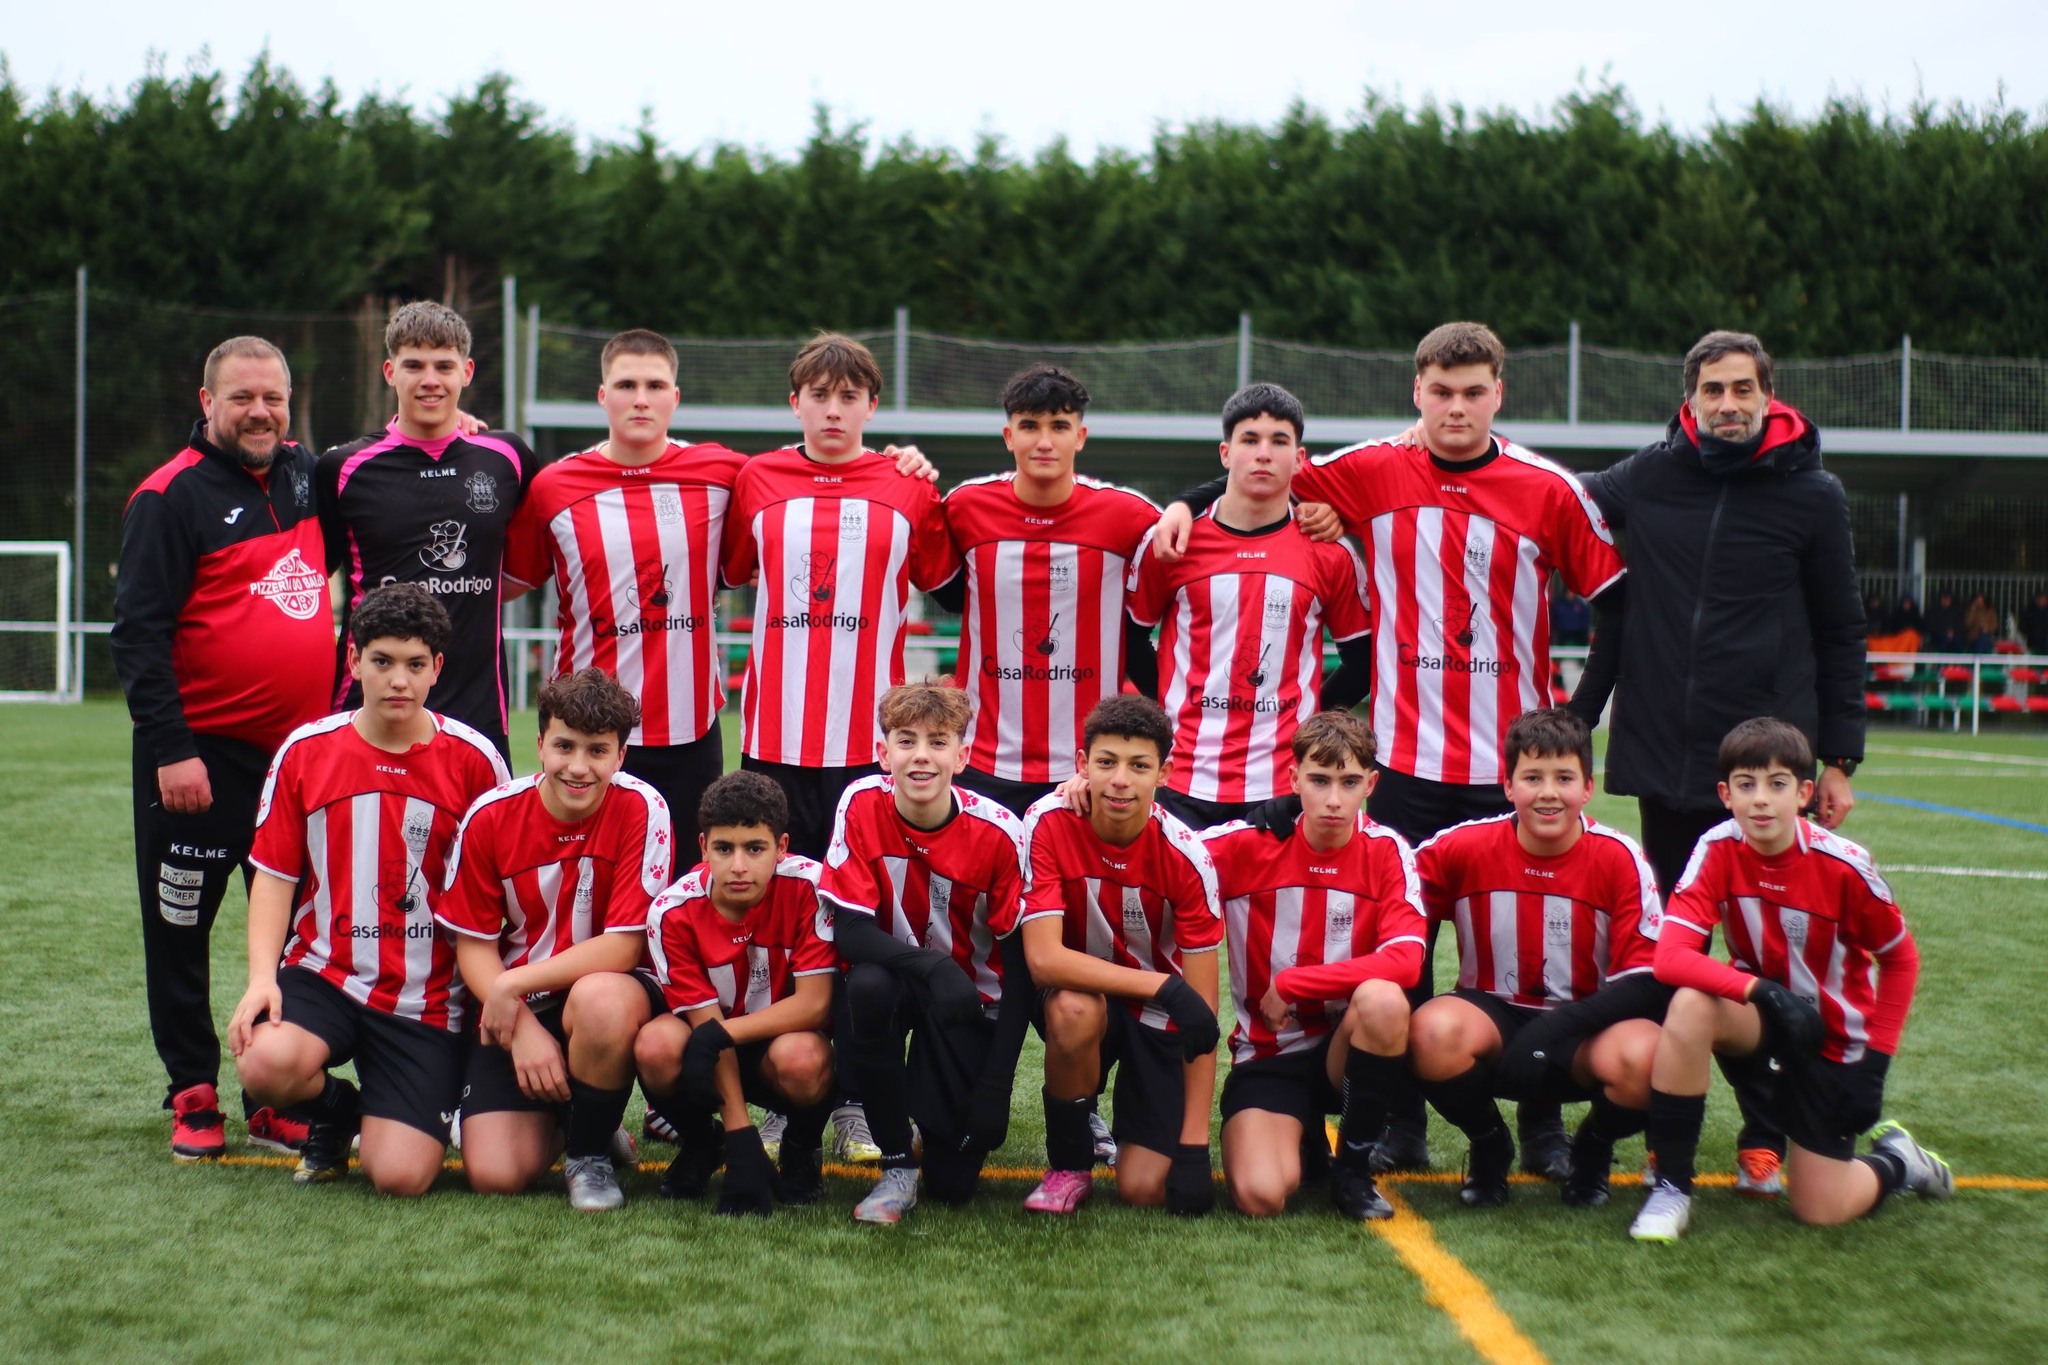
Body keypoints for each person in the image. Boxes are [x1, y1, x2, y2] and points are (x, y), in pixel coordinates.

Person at [1153, 322, 1627, 1178]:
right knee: (1403, 950)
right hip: (1405, 763)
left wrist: (1577, 720)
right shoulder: (1373, 468)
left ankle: (1544, 1121)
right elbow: (1264, 470)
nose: (1456, 407)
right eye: (1440, 391)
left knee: (1536, 942)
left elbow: (1616, 603)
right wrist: (1186, 500)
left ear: (1498, 394)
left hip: (1511, 770)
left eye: (1473, 391)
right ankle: (1401, 1118)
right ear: (1417, 393)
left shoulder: (1548, 488)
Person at [1573, 330, 1867, 1184]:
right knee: (1681, 951)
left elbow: (1842, 628)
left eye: (1743, 389)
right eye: (1713, 389)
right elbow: (1544, 497)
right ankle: (1678, 1125)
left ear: (1769, 397)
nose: (1728, 404)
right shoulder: (1648, 476)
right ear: (1690, 398)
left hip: (1767, 770)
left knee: (1773, 959)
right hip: (1665, 752)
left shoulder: (1814, 494)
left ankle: (1772, 1124)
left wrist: (1838, 758)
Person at [112, 335, 336, 1160]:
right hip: (199, 762)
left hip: (296, 764)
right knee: (180, 928)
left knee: (296, 936)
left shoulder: (306, 474)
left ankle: (275, 1093)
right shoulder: (167, 497)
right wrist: (172, 749)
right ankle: (192, 1089)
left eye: (273, 397)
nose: (260, 412)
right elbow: (138, 636)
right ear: (208, 403)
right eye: (242, 397)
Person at [227, 585, 511, 1195]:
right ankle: (335, 1111)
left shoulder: (476, 760)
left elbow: (494, 892)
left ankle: (393, 1113)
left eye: (414, 663)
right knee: (266, 1062)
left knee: (400, 1177)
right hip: (325, 973)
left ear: (437, 667)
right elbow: (274, 877)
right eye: (382, 661)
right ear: (354, 661)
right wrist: (261, 979)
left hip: (426, 997)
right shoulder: (306, 751)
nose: (398, 680)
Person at [1631, 717, 1951, 1241]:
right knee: (1690, 1003)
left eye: (1776, 784)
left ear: (1803, 793)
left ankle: (1899, 1161)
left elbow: (1900, 960)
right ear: (1726, 795)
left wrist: (1875, 1068)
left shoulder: (1844, 866)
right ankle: (1671, 1188)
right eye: (1746, 784)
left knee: (1820, 1209)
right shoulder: (1716, 848)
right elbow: (1670, 958)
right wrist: (1762, 991)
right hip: (1763, 1017)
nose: (1760, 799)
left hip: (1831, 1040)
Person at [1407, 708, 1667, 1208]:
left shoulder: (1619, 858)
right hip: (1493, 1018)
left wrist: (1552, 1030)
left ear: (1587, 788)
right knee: (1430, 1032)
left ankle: (1592, 1149)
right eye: (1532, 778)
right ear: (1508, 786)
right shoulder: (1462, 847)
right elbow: (1390, 896)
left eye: (1563, 778)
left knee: (1652, 1056)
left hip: (1585, 1028)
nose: (1548, 792)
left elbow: (1647, 981)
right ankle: (1490, 1145)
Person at [435, 667, 674, 1211]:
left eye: (598, 751)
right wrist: (519, 1022)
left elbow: (623, 947)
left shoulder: (643, 807)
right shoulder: (491, 816)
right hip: (524, 1003)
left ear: (621, 756)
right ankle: (582, 1118)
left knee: (599, 998)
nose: (579, 766)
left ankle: (589, 1154)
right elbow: (473, 944)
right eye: (565, 746)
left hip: (610, 990)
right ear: (540, 744)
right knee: (496, 1174)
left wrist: (510, 985)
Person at [720, 332, 955, 859]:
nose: (833, 410)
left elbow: (944, 582)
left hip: (874, 736)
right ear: (795, 402)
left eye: (849, 396)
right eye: (819, 394)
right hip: (774, 732)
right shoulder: (757, 478)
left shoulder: (908, 483)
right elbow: (736, 570)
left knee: (865, 879)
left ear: (871, 406)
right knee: (776, 878)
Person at [818, 683, 1032, 1224]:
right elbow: (850, 932)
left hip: (968, 999)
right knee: (867, 985)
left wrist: (996, 1086)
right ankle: (895, 1160)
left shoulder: (1000, 833)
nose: (920, 755)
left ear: (962, 756)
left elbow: (1021, 970)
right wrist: (934, 966)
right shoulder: (860, 803)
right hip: (898, 978)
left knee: (954, 1186)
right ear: (883, 751)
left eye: (938, 742)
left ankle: (928, 1128)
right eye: (906, 740)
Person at [1205, 712, 1425, 1221]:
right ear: (1293, 779)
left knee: (1385, 1000)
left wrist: (1292, 983)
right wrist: (1078, 792)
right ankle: (1302, 1136)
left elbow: (1407, 961)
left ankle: (1352, 1171)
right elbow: (1158, 846)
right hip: (1269, 1054)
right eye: (1319, 780)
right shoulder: (1245, 843)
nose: (1334, 800)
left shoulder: (1387, 850)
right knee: (1260, 1197)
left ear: (1371, 785)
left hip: (1345, 1049)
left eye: (1349, 783)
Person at [1125, 383, 1372, 830]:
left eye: (1279, 441)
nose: (1263, 454)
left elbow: (1362, 662)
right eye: (1250, 440)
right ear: (1225, 453)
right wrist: (1168, 706)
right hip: (1184, 779)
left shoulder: (1330, 553)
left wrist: (1309, 723)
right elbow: (1130, 639)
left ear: (1299, 458)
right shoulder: (1174, 540)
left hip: (1283, 785)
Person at [1015, 696, 1224, 1216]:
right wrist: (1163, 985)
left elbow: (1201, 1020)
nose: (1120, 781)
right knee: (1073, 1008)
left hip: (1157, 1016)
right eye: (1106, 762)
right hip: (1089, 998)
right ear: (1082, 764)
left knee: (1144, 1190)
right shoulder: (1048, 822)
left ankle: (1135, 1129)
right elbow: (1043, 960)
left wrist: (1195, 1146)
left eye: (1139, 766)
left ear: (1164, 774)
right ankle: (1069, 1164)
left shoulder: (1187, 857)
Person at [931, 363, 1161, 816]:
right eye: (1029, 426)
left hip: (1086, 768)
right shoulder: (965, 507)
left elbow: (1208, 538)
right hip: (980, 758)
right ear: (1008, 436)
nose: (1044, 441)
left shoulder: (1130, 517)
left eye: (1059, 426)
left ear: (1080, 436)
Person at [319, 301, 536, 757]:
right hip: (370, 706)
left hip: (479, 708)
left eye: (444, 366)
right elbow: (315, 573)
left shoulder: (507, 458)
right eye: (414, 366)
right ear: (390, 372)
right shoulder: (343, 469)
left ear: (467, 372)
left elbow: (535, 556)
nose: (430, 380)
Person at [638, 771, 839, 1216]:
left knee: (804, 1059)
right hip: (708, 1047)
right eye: (724, 849)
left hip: (780, 1041)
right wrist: (741, 1136)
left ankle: (800, 1146)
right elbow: (705, 1026)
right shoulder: (672, 912)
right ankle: (704, 1143)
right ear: (703, 847)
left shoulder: (812, 888)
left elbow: (815, 1004)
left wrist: (721, 1034)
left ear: (782, 847)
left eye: (755, 848)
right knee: (656, 1046)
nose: (739, 866)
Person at [2022, 591, 2048, 656]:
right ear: (2037, 600)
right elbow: (2023, 625)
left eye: (2045, 599)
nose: (2042, 601)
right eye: (2041, 599)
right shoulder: (2030, 610)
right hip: (2033, 642)